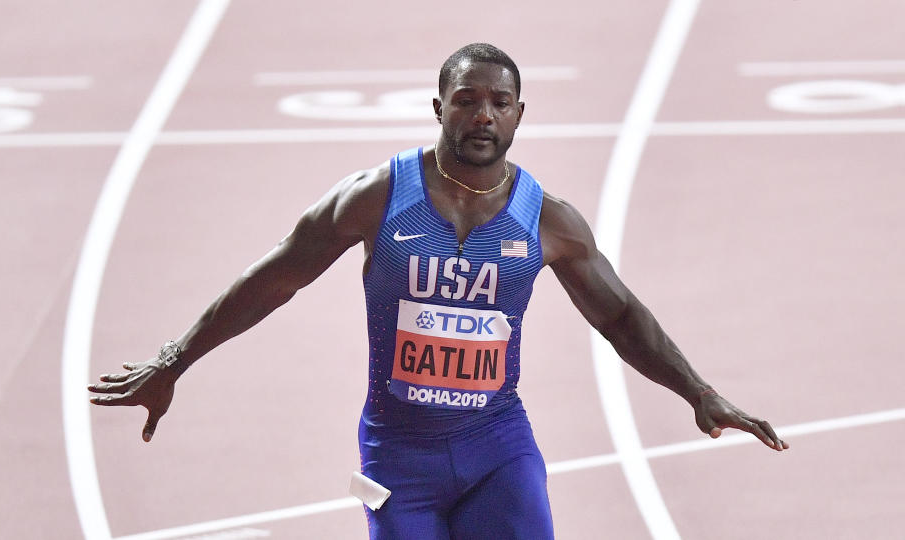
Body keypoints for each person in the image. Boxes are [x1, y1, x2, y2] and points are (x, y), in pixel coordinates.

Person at [89, 43, 789, 539]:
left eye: (499, 103)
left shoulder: (548, 221)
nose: (483, 115)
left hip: (496, 446)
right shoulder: (375, 199)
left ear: (520, 114)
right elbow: (276, 278)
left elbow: (622, 318)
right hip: (397, 455)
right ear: (439, 108)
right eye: (467, 100)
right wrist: (175, 359)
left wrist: (699, 392)